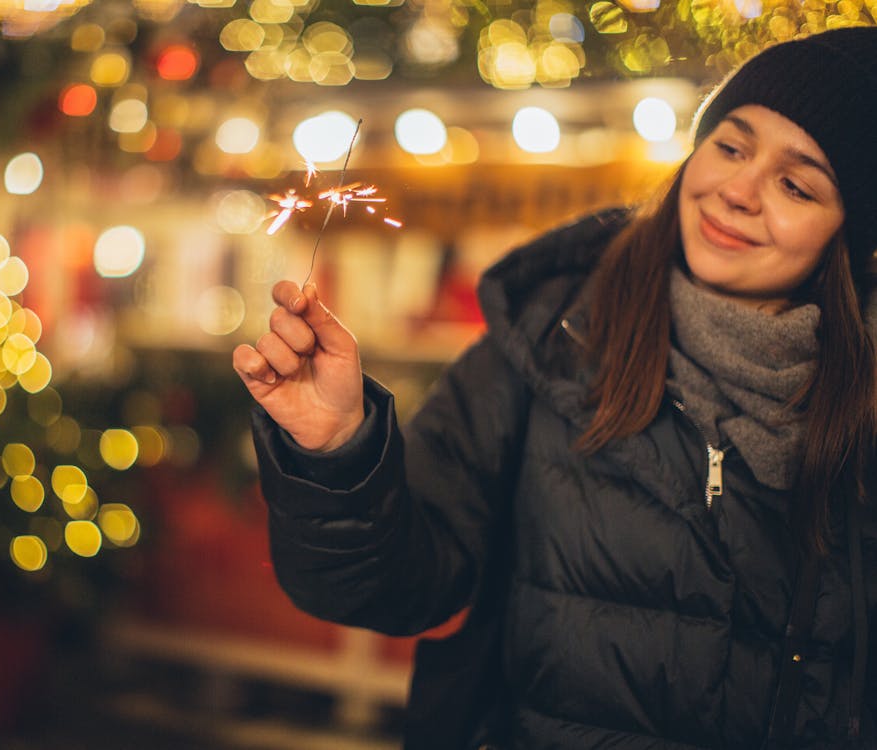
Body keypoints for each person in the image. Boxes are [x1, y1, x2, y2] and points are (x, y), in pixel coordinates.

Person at [232, 26, 877, 749]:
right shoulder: (546, 342)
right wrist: (339, 452)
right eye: (729, 146)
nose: (736, 191)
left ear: (853, 242)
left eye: (795, 184)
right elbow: (385, 584)